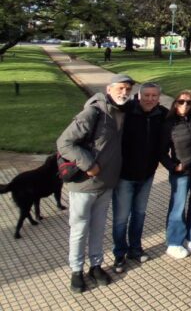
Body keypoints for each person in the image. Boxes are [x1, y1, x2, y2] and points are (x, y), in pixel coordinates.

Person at [57, 73, 135, 293]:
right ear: (108, 89)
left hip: (106, 183)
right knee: (80, 228)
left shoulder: (122, 111)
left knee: (99, 228)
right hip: (84, 183)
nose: (124, 93)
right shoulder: (94, 112)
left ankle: (96, 265)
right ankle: (76, 270)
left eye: (128, 90)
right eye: (120, 88)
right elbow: (64, 143)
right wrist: (89, 164)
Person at [112, 82, 167, 273]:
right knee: (121, 217)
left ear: (158, 98)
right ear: (139, 96)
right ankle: (119, 254)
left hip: (147, 174)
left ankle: (135, 248)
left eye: (154, 96)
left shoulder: (161, 114)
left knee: (139, 214)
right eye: (147, 95)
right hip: (125, 175)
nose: (150, 99)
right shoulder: (127, 112)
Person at [161, 90, 191, 260]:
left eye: (189, 102)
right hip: (181, 171)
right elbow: (161, 151)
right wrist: (173, 166)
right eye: (181, 101)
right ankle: (174, 241)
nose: (185, 105)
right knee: (178, 206)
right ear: (175, 103)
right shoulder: (169, 124)